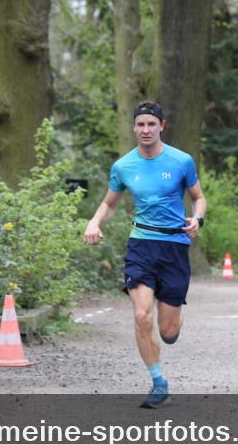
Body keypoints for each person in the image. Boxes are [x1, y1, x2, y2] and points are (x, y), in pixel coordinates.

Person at [84, 101, 206, 409]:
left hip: (175, 246)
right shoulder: (123, 166)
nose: (146, 130)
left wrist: (197, 219)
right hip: (141, 245)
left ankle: (170, 329)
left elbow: (198, 198)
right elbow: (110, 203)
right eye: (140, 125)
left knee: (168, 329)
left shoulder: (181, 161)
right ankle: (158, 381)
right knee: (141, 315)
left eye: (152, 124)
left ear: (162, 126)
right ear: (134, 128)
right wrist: (95, 221)